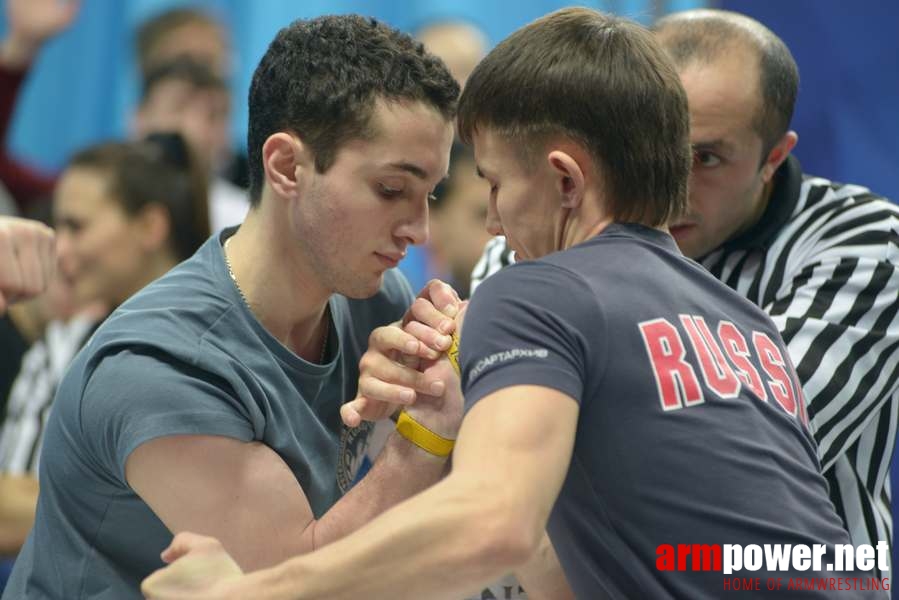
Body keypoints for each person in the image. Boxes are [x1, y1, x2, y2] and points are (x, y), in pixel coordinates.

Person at [142, 8, 877, 599]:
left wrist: (259, 590)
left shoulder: (536, 290)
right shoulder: (739, 317)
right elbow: (555, 565)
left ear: (563, 181)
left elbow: (493, 525)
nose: (489, 221)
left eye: (492, 182)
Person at [1, 14, 461, 600]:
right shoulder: (160, 366)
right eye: (392, 190)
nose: (418, 230)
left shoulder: (374, 299)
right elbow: (304, 583)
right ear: (287, 167)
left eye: (432, 195)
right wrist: (424, 437)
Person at [473, 8, 899, 572]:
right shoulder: (527, 233)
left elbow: (734, 459)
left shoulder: (864, 241)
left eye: (705, 157)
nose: (669, 181)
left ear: (774, 156)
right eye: (655, 147)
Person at [0, 134, 210, 567]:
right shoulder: (70, 336)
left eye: (77, 227)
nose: (59, 249)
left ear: (150, 227)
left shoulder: (209, 351)